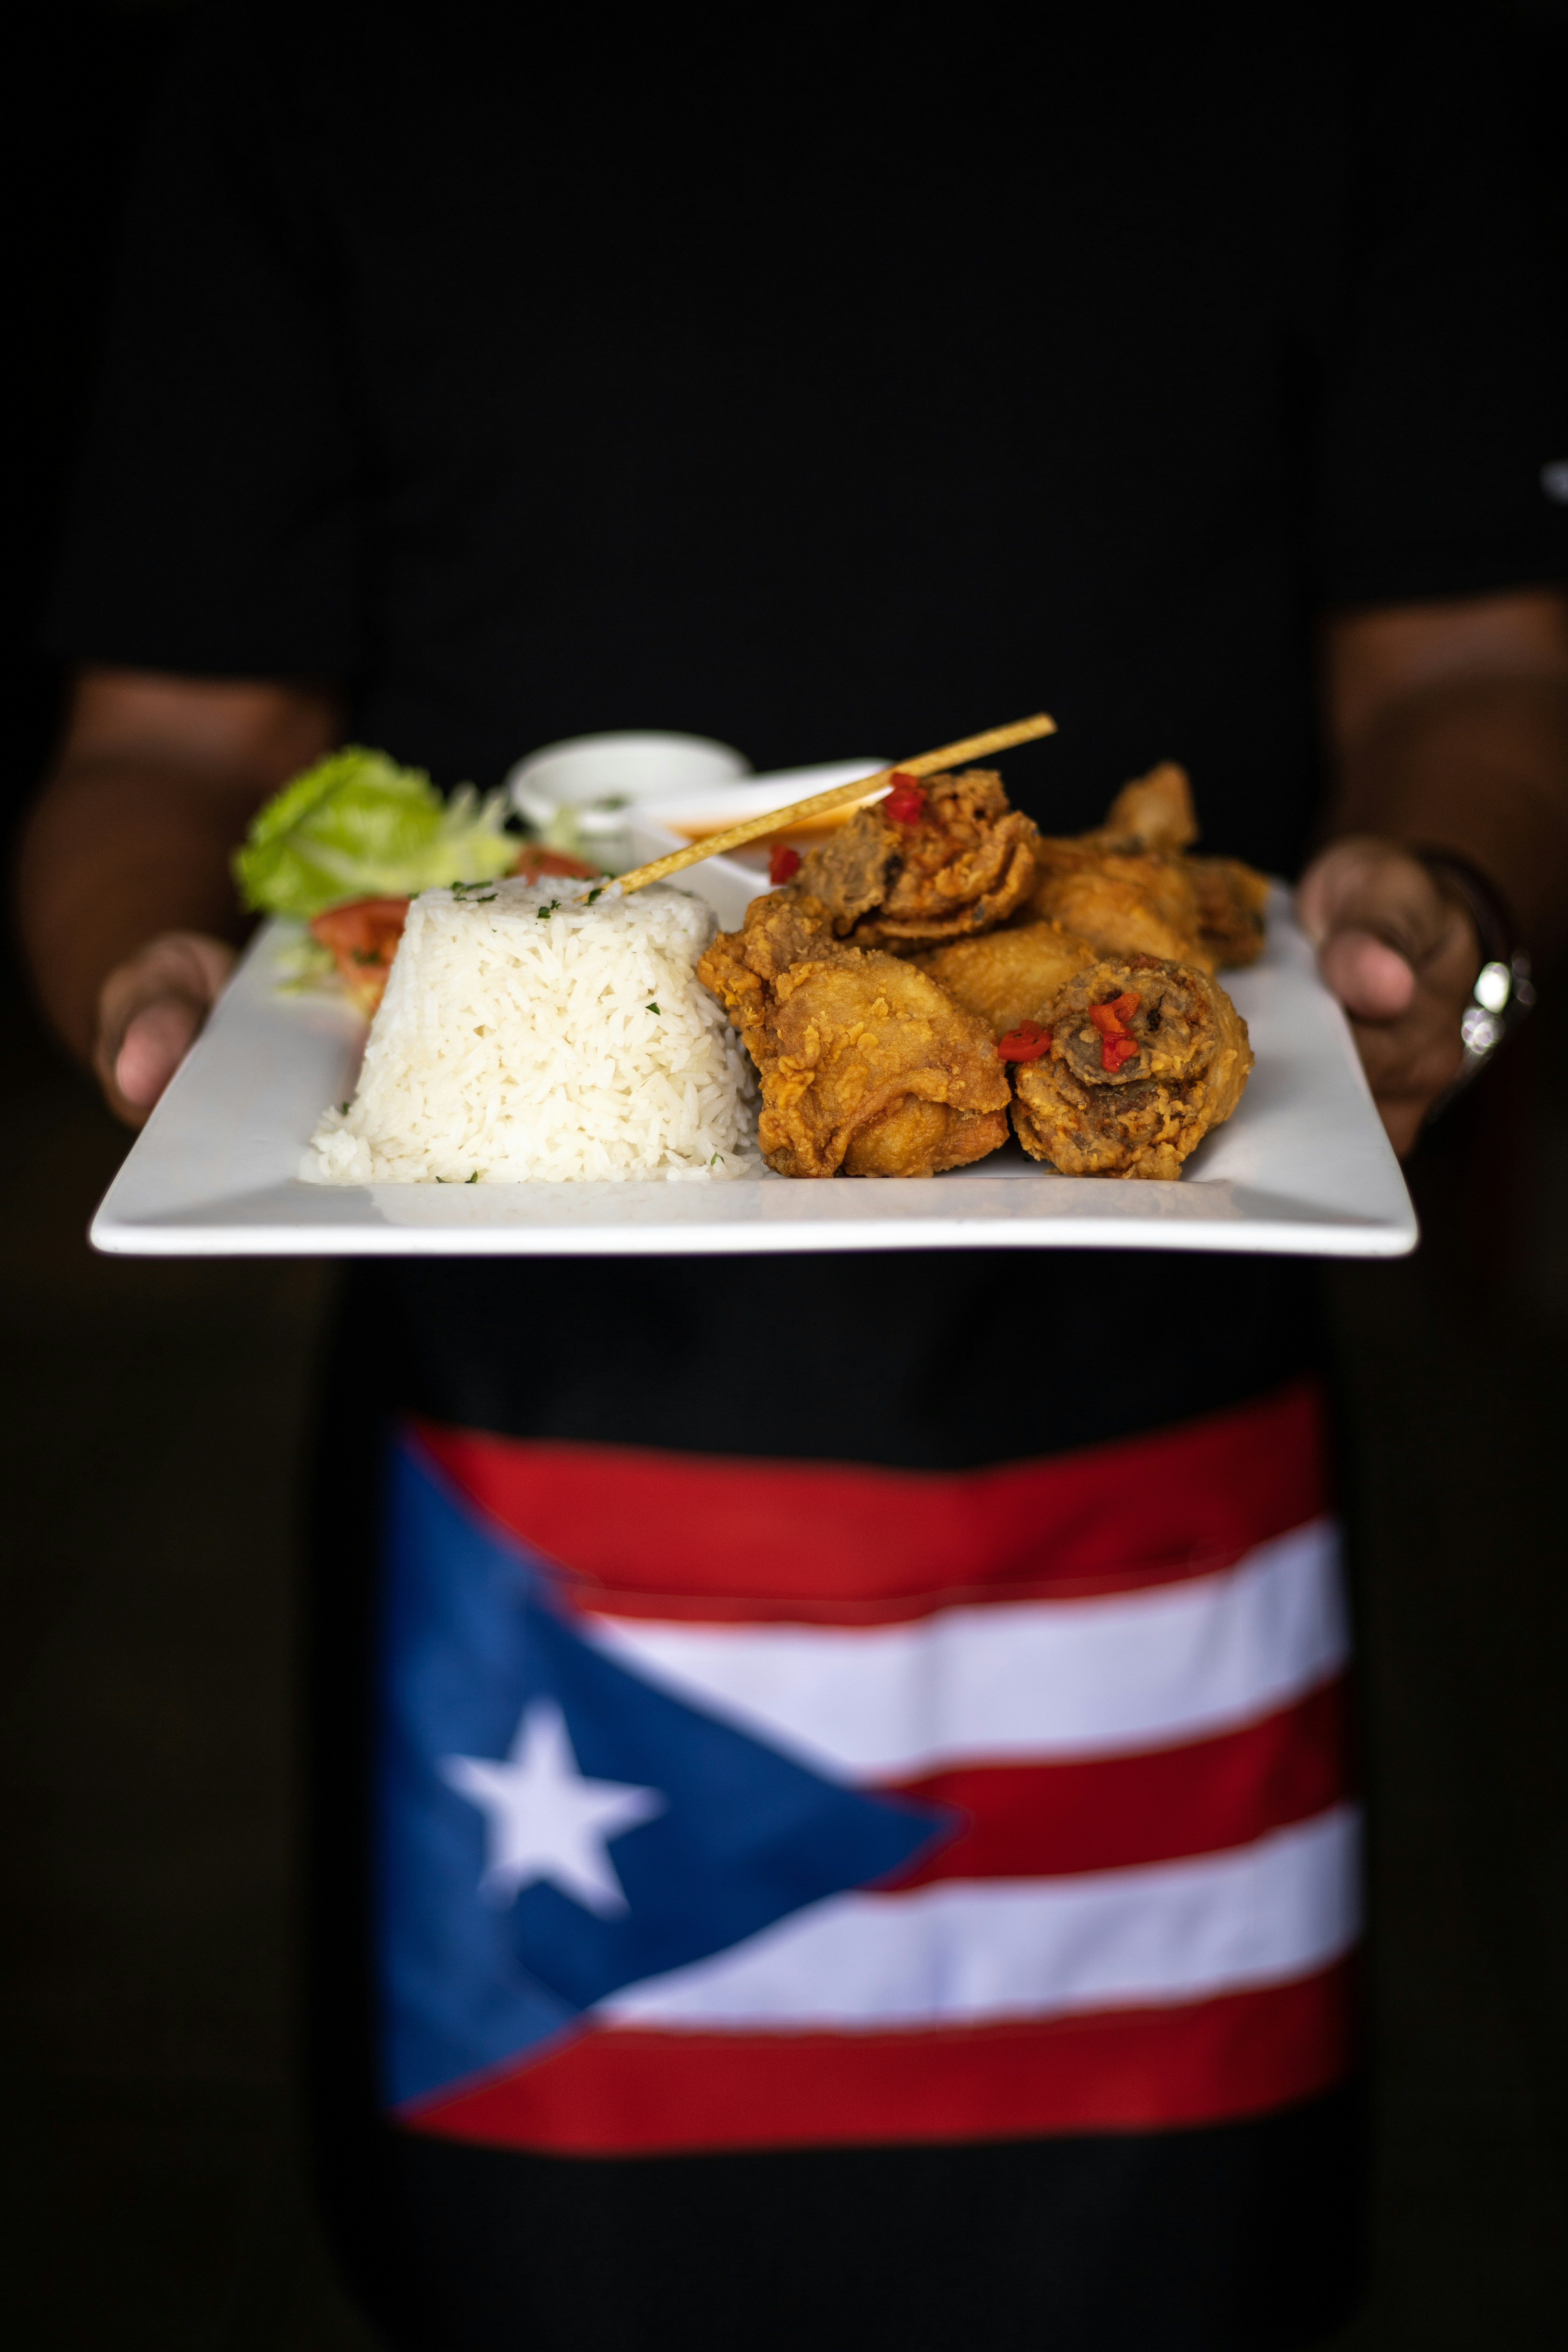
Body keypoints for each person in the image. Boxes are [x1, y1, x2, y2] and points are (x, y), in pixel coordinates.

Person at [17, 4, 1568, 2346]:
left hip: (1156, 1495)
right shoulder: (311, 61)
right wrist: (155, 976)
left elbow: (1476, 661)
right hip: (525, 1526)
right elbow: (155, 737)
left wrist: (1443, 928)